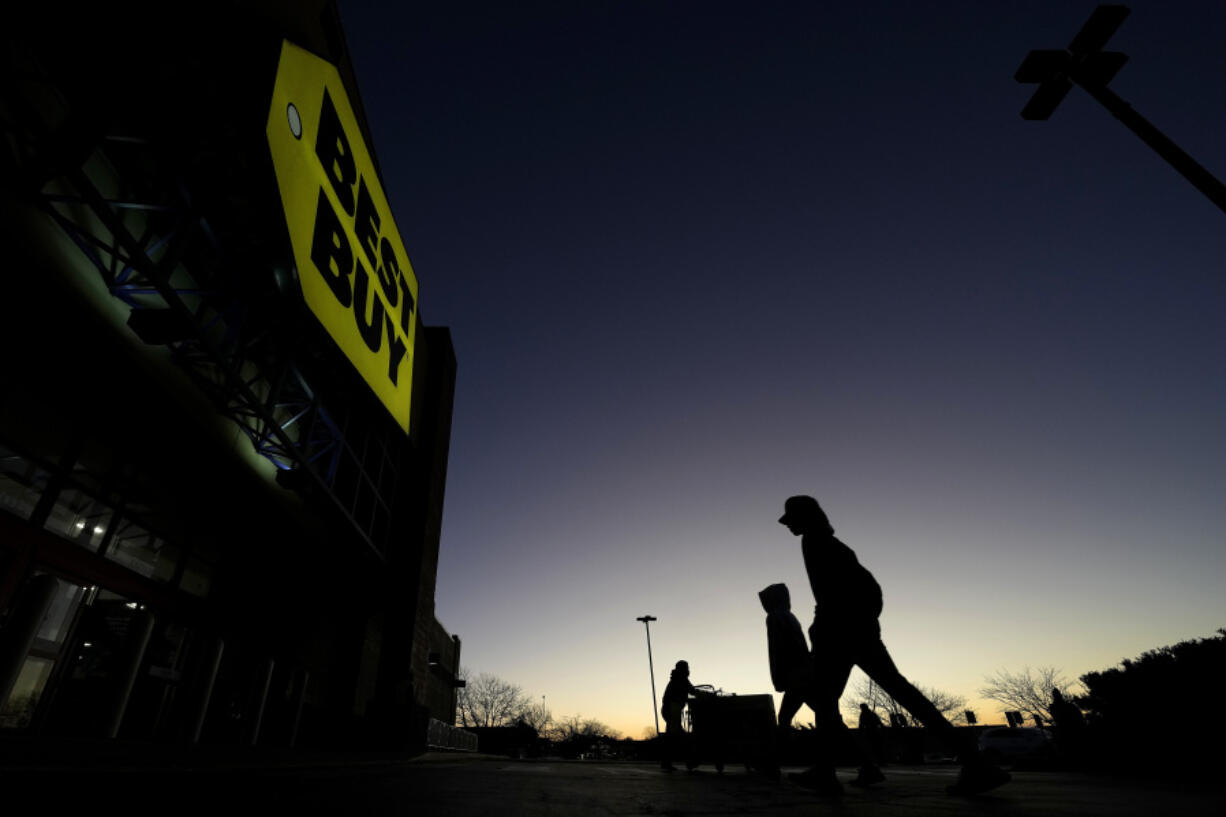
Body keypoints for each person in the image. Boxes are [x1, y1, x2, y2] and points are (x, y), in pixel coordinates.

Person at [778, 495, 1011, 796]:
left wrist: (824, 627)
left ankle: (826, 772)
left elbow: (831, 595)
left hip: (837, 632)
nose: (788, 527)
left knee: (831, 702)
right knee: (892, 695)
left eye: (791, 520)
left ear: (803, 517)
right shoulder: (834, 545)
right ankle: (975, 763)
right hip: (859, 631)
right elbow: (867, 589)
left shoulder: (815, 543)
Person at [759, 583, 813, 729]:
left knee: (784, 718)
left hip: (794, 677)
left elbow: (777, 650)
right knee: (825, 711)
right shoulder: (790, 616)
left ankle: (784, 751)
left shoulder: (774, 617)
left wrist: (780, 678)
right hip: (804, 673)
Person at [660, 660, 695, 771]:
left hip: (670, 709)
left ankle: (667, 762)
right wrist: (704, 695)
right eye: (687, 667)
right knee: (674, 736)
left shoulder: (676, 679)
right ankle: (686, 760)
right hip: (672, 709)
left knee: (673, 736)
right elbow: (692, 691)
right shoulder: (681, 679)